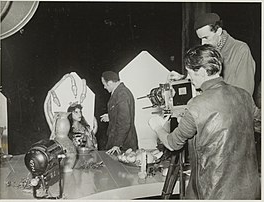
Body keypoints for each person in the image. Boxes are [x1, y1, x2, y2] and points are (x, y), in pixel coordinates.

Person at [149, 44, 260, 200]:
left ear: (201, 71)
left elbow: (173, 143)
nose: (189, 78)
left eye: (189, 73)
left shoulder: (197, 104)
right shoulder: (244, 96)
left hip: (214, 192)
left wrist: (157, 126)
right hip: (248, 190)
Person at [194, 12, 255, 95]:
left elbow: (245, 93)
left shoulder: (240, 50)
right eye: (200, 39)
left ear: (218, 31)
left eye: (206, 37)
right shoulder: (207, 53)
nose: (203, 43)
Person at [100, 71, 138, 155]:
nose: (104, 87)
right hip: (121, 143)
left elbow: (124, 123)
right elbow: (122, 114)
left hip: (123, 145)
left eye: (104, 84)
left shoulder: (121, 94)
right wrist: (111, 116)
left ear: (109, 83)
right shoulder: (120, 92)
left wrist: (116, 144)